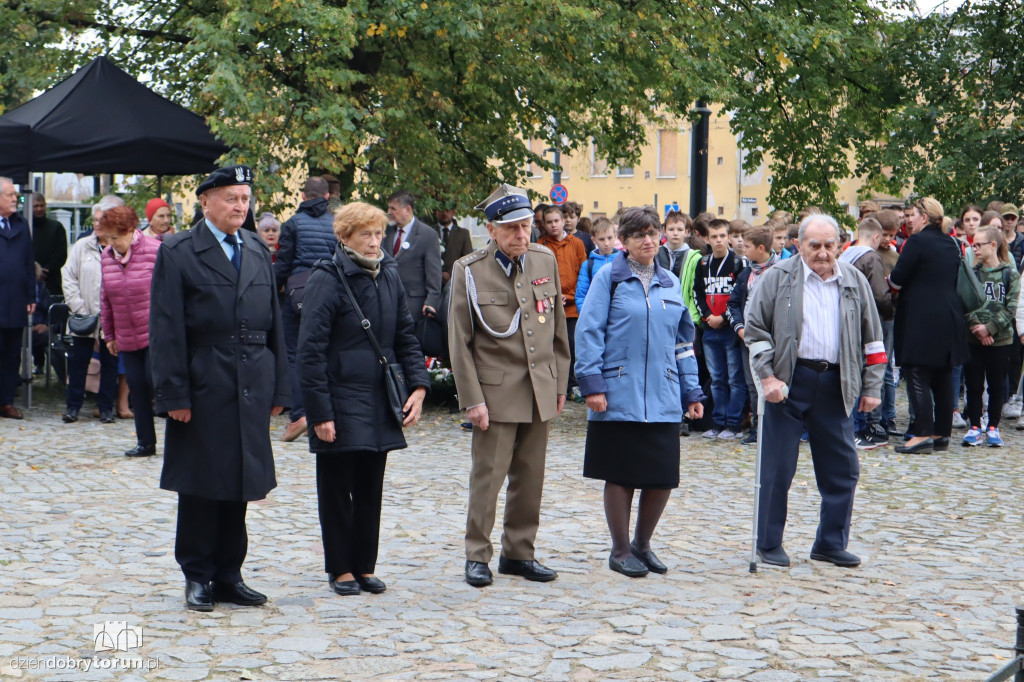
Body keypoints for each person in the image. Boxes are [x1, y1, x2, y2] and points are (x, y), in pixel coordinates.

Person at [150, 165, 289, 612]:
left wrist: (279, 387)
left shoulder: (253, 246)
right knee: (201, 483)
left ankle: (230, 573)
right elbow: (167, 327)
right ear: (206, 201)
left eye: (245, 199)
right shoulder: (179, 250)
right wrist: (174, 396)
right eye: (231, 198)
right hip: (205, 379)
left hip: (251, 379)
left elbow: (274, 322)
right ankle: (197, 574)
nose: (240, 207)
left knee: (241, 481)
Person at [298, 201, 429, 596]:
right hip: (339, 398)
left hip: (379, 398)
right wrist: (320, 412)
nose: (375, 242)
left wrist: (420, 386)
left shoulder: (388, 273)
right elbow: (310, 351)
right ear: (345, 237)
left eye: (379, 233)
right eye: (366, 235)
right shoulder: (326, 278)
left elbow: (405, 335)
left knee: (371, 488)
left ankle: (365, 565)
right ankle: (340, 568)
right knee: (337, 489)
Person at [745, 214, 885, 569]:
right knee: (777, 468)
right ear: (799, 244)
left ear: (839, 244)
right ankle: (767, 542)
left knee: (843, 469)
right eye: (815, 245)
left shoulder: (852, 280)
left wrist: (871, 386)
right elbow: (755, 329)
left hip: (837, 383)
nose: (823, 253)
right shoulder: (777, 277)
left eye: (829, 245)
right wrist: (767, 377)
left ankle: (830, 543)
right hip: (789, 382)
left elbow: (873, 339)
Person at [448, 184, 570, 588]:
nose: (522, 236)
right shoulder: (470, 269)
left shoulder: (544, 259)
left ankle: (519, 553)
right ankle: (477, 555)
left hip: (539, 386)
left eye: (526, 227)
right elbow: (460, 343)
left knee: (530, 477)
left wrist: (559, 383)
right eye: (512, 229)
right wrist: (472, 400)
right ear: (491, 230)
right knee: (489, 476)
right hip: (495, 392)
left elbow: (556, 332)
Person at [575, 207, 704, 578]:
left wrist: (691, 391)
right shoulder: (608, 278)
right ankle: (619, 550)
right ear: (625, 241)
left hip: (663, 392)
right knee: (620, 474)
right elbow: (589, 333)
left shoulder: (669, 282)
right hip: (617, 391)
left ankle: (642, 545)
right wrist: (592, 385)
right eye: (638, 235)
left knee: (662, 475)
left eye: (653, 233)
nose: (647, 241)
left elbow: (682, 343)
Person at [888, 197, 968, 454]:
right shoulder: (953, 242)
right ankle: (940, 433)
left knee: (917, 373)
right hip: (949, 314)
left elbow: (897, 280)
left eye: (912, 215)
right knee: (942, 376)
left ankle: (922, 434)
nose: (908, 220)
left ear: (925, 216)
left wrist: (889, 280)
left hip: (921, 316)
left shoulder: (918, 241)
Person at [274, 177, 337, 443]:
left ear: (302, 196)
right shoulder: (336, 222)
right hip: (330, 293)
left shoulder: (292, 224)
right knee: (327, 352)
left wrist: (272, 292)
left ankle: (299, 415)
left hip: (298, 295)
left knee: (294, 355)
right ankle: (328, 413)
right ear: (326, 197)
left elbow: (283, 263)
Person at [99, 206, 161, 457]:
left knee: (156, 382)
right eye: (108, 238)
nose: (112, 243)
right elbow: (106, 298)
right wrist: (109, 334)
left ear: (131, 231)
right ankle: (146, 442)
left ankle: (185, 440)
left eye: (116, 237)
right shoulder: (106, 256)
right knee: (136, 387)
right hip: (126, 333)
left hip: (154, 332)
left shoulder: (155, 251)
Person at [61, 196, 120, 424]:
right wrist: (79, 306)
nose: (96, 224)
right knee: (79, 363)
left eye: (100, 220)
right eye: (94, 219)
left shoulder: (119, 247)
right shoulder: (82, 246)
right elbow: (68, 276)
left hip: (112, 318)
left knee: (110, 364)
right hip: (84, 316)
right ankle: (73, 407)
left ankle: (106, 408)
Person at [838, 218, 895, 449]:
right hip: (866, 323)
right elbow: (880, 296)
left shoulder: (845, 255)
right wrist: (892, 311)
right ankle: (860, 428)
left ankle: (855, 427)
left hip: (846, 322)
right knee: (865, 373)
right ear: (875, 237)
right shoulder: (871, 257)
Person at [960, 226, 1019, 446]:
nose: (974, 248)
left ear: (993, 245)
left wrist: (991, 328)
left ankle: (993, 426)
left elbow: (1010, 308)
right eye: (973, 245)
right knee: (974, 385)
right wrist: (978, 328)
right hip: (973, 339)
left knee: (997, 385)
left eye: (978, 244)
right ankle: (975, 426)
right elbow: (965, 303)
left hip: (1001, 340)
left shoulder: (1009, 274)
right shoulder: (970, 273)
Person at [694, 219, 747, 439]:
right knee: (717, 378)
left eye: (722, 236)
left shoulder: (738, 263)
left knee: (735, 378)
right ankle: (717, 422)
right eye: (714, 236)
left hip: (730, 330)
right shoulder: (703, 264)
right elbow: (697, 293)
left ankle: (733, 424)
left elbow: (740, 297)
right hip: (710, 330)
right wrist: (708, 316)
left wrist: (724, 318)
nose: (718, 241)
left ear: (729, 238)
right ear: (707, 239)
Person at [726, 225, 778, 445]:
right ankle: (758, 426)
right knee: (752, 385)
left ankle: (775, 427)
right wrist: (739, 327)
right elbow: (734, 303)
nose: (743, 250)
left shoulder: (780, 271)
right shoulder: (746, 273)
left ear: (760, 248)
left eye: (747, 246)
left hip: (774, 341)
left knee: (775, 383)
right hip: (749, 340)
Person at [538, 205, 587, 395]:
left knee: (572, 345)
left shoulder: (576, 243)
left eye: (556, 221)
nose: (553, 225)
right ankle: (554, 383)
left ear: (562, 221)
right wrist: (553, 296)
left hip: (572, 305)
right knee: (550, 345)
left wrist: (570, 296)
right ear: (544, 224)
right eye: (549, 222)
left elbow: (582, 273)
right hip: (549, 304)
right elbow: (539, 276)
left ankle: (572, 384)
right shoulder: (541, 245)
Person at [0, 178, 35, 419]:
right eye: (10, 195)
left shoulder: (21, 224)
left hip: (15, 300)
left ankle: (6, 401)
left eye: (17, 195)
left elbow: (28, 262)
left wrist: (31, 295)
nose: (15, 199)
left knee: (12, 355)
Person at [385, 190, 443, 325]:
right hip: (387, 306)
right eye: (388, 208)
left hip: (414, 308)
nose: (389, 212)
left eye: (393, 208)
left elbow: (434, 273)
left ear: (408, 209)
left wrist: (431, 302)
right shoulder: (385, 232)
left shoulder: (427, 235)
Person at [574, 218, 618, 313]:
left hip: (620, 318)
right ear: (594, 240)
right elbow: (581, 295)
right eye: (601, 239)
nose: (606, 243)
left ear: (615, 236)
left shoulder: (624, 261)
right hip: (596, 317)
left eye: (609, 238)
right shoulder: (588, 265)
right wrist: (586, 319)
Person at [30, 193, 68, 297]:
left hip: (51, 283)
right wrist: (34, 271)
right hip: (26, 280)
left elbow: (61, 254)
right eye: (35, 206)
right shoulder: (23, 226)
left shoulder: (56, 227)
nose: (39, 209)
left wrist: (46, 270)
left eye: (41, 205)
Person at [432, 205, 474, 283]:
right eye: (441, 210)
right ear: (436, 213)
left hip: (455, 281)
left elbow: (468, 259)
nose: (444, 213)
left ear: (453, 212)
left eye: (447, 210)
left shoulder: (463, 233)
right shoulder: (429, 232)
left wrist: (451, 274)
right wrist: (438, 273)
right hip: (432, 280)